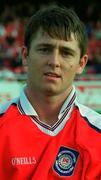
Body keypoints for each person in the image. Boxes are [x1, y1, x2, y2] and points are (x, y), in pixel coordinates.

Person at [0, 4, 101, 180]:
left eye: (66, 52)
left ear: (81, 64)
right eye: (45, 49)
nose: (54, 61)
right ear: (25, 55)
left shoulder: (98, 134)